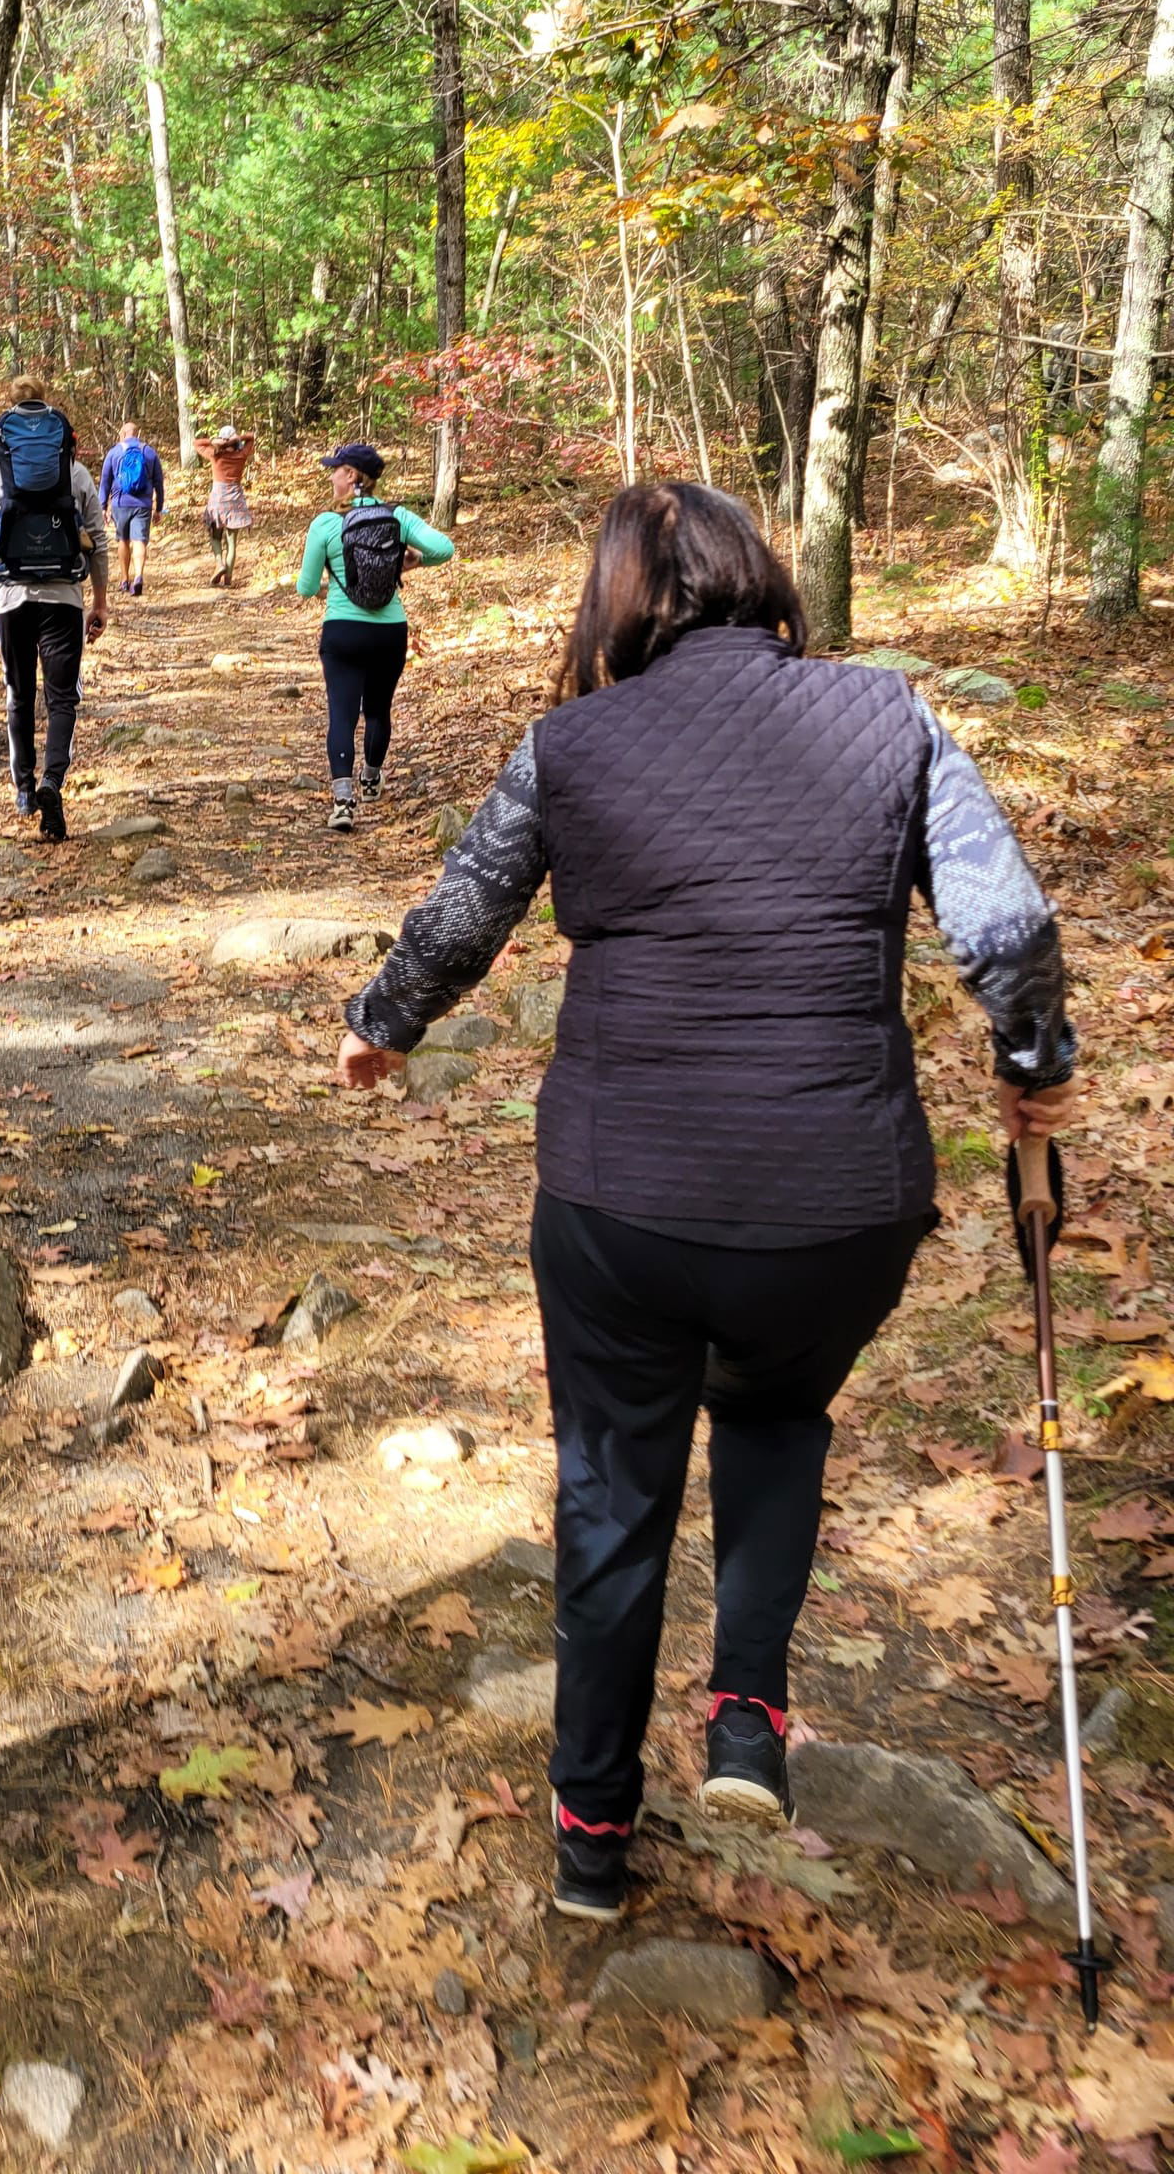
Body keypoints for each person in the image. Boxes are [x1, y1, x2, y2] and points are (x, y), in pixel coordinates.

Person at [335, 480, 1078, 1922]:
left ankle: (593, 1831)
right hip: (841, 1204)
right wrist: (1033, 1062)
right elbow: (1008, 922)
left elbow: (461, 913)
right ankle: (747, 1714)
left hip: (629, 1202)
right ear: (763, 580)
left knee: (612, 1498)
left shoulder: (571, 742)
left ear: (614, 602)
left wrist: (383, 1020)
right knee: (779, 1412)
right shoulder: (889, 714)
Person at [0, 373, 109, 841]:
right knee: (62, 696)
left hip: (10, 599)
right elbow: (99, 541)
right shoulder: (76, 473)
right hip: (64, 597)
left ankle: (24, 789)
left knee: (19, 694)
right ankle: (52, 779)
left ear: (8, 410)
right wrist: (101, 601)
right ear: (47, 408)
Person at [295, 441, 454, 831]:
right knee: (378, 709)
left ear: (351, 476)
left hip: (343, 630)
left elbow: (304, 587)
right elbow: (443, 548)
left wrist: (331, 588)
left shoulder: (326, 524)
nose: (332, 475)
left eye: (336, 469)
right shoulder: (397, 517)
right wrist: (412, 562)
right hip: (389, 632)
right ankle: (371, 778)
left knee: (342, 713)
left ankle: (343, 802)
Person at [99, 420, 165, 598]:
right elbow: (159, 482)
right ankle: (138, 577)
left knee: (123, 540)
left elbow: (105, 481)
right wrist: (159, 508)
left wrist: (103, 506)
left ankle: (124, 579)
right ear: (138, 433)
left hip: (120, 503)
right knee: (140, 541)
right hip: (143, 504)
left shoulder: (114, 453)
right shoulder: (149, 452)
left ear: (122, 434)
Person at [205, 423, 256, 586]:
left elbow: (197, 443)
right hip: (235, 500)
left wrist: (219, 441)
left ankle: (219, 562)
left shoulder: (215, 455)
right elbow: (252, 436)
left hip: (218, 499)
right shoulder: (241, 455)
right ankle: (228, 579)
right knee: (232, 542)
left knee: (215, 537)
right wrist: (236, 439)